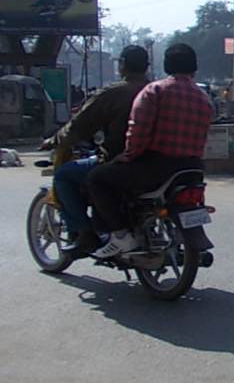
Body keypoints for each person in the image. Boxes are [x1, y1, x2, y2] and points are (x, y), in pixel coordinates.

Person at [87, 43, 215, 258]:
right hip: (192, 169)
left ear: (166, 65)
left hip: (155, 167)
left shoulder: (155, 91)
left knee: (97, 178)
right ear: (194, 68)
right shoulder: (204, 99)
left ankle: (120, 235)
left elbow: (138, 130)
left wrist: (126, 156)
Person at [40, 45, 150, 258]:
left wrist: (54, 141)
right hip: (155, 162)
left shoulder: (114, 93)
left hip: (119, 160)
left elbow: (79, 126)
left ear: (123, 65)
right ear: (146, 67)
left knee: (64, 175)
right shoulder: (157, 90)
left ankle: (84, 233)